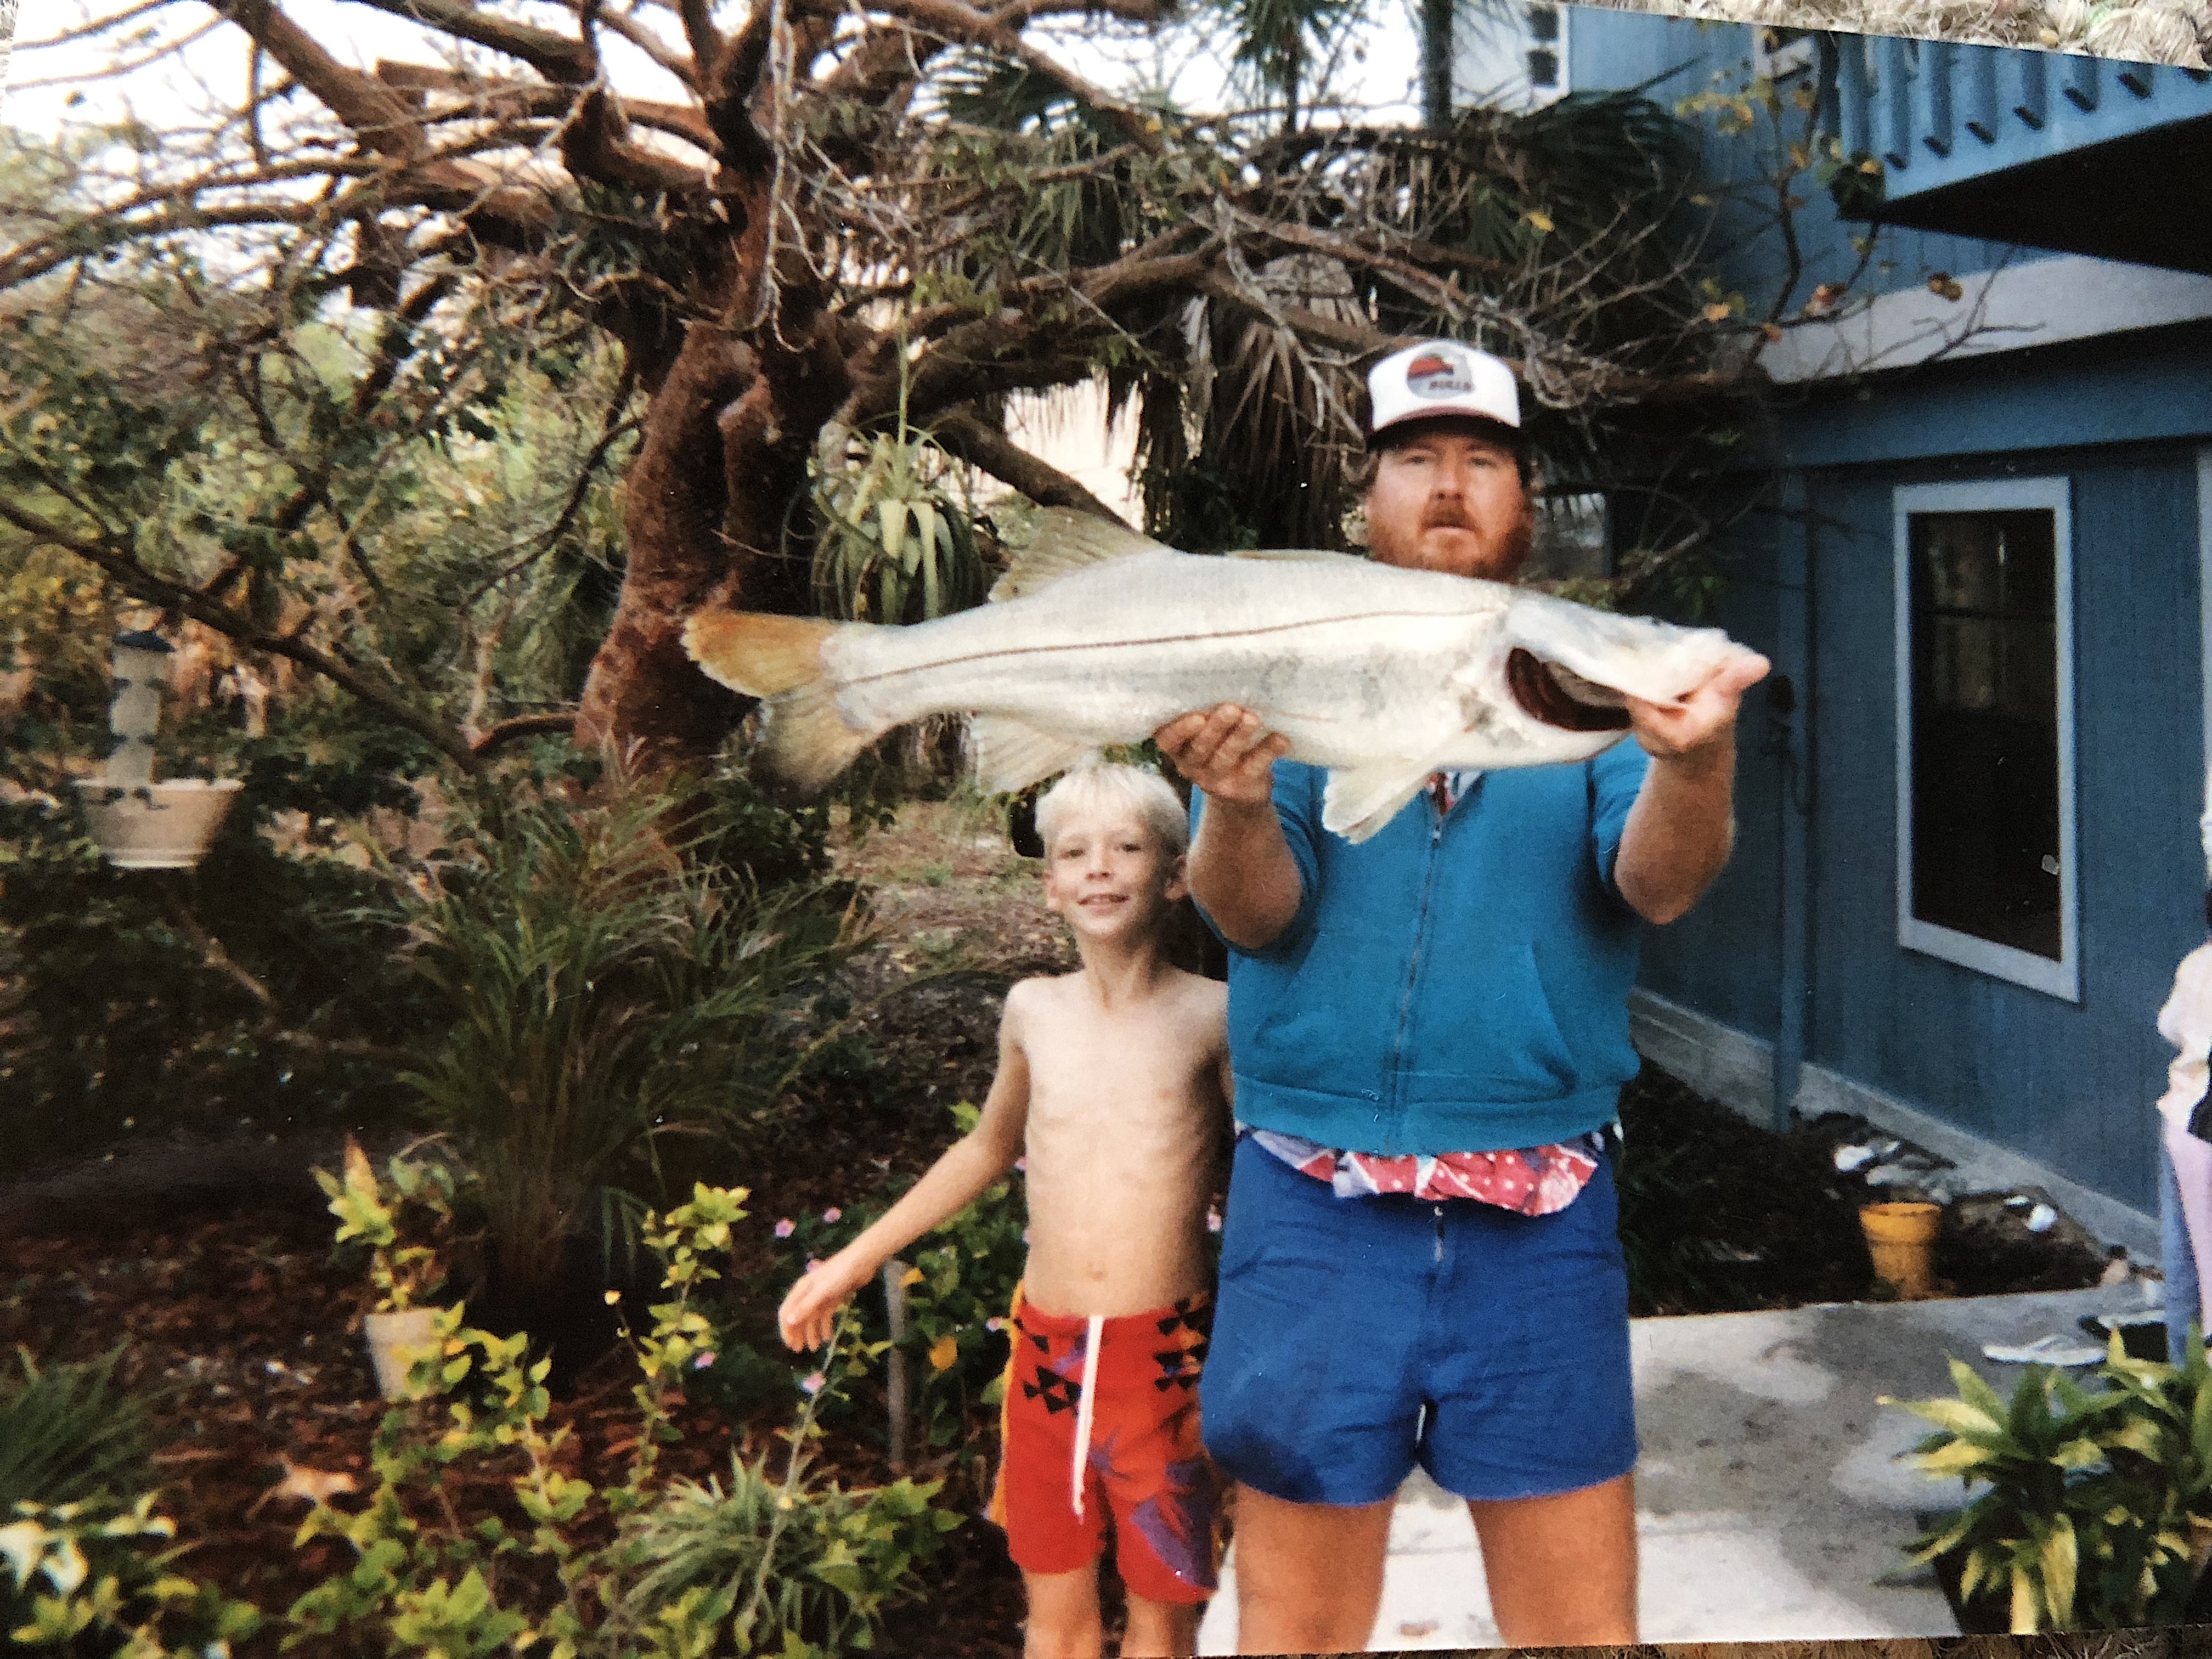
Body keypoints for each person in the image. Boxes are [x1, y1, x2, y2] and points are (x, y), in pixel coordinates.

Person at [1152, 338, 1769, 1654]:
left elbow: (1656, 885)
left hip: (1539, 1221)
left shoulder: (1586, 675)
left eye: (1482, 461)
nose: (1448, 487)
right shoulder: (1293, 655)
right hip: (1315, 1214)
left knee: (1578, 1636)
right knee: (1298, 1635)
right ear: (1366, 503)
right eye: (1417, 460)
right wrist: (1243, 800)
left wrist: (1699, 763)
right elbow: (1256, 917)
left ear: (1524, 504)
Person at [778, 761, 1232, 1659]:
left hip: (1170, 1359)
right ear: (1052, 886)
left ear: (1177, 876)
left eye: (1128, 848)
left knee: (1163, 1611)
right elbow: (986, 1148)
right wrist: (851, 1261)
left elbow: (1260, 1173)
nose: (1100, 867)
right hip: (1049, 1357)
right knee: (1056, 1614)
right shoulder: (1033, 1011)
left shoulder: (1214, 1016)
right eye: (1076, 853)